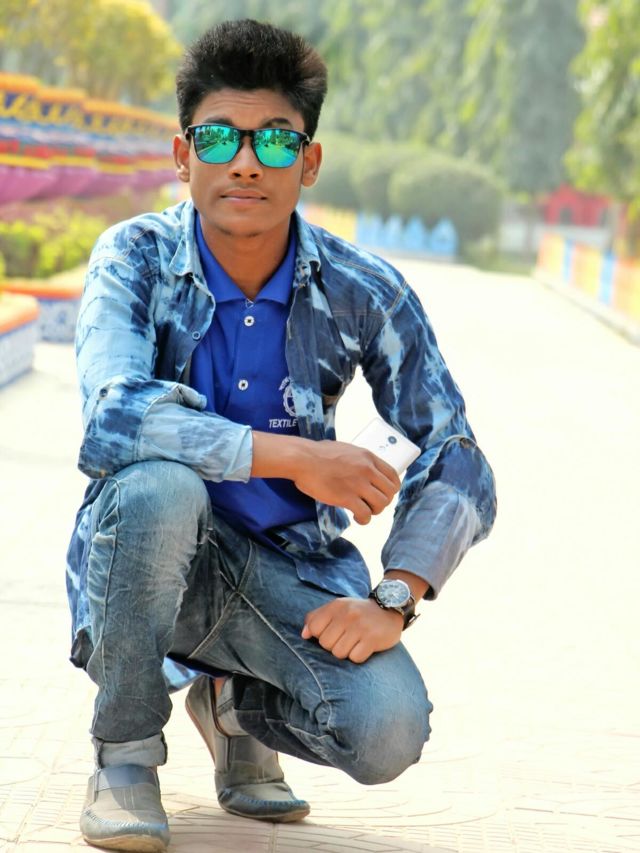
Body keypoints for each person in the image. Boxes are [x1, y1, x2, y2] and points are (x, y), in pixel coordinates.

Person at [65, 18, 496, 853]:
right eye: (218, 137)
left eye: (274, 139)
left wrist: (396, 595)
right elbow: (112, 414)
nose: (245, 162)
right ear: (183, 154)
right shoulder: (136, 258)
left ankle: (234, 707)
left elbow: (456, 453)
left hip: (286, 572)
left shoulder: (364, 289)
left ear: (310, 161)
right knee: (157, 485)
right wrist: (299, 456)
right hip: (148, 560)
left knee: (388, 729)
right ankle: (124, 755)